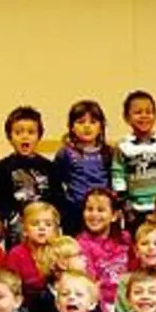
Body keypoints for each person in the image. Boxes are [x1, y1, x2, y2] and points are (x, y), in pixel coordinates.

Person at [0, 106, 65, 249]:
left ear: (39, 136)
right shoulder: (4, 166)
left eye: (31, 132)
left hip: (45, 225)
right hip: (18, 228)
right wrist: (7, 218)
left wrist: (56, 219)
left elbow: (58, 196)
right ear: (10, 137)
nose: (25, 136)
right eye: (18, 132)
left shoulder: (48, 166)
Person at [111, 90, 156, 221]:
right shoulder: (123, 147)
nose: (144, 116)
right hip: (134, 208)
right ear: (127, 117)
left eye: (149, 112)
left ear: (155, 116)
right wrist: (123, 201)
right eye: (138, 112)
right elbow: (118, 174)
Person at [54, 100, 112, 236]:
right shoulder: (66, 153)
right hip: (75, 210)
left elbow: (112, 179)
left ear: (101, 126)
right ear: (71, 127)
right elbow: (57, 181)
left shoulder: (108, 153)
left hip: (102, 210)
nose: (87, 127)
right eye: (81, 122)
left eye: (93, 122)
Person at [76, 188, 131, 309]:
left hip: (131, 303)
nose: (94, 214)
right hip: (101, 308)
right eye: (89, 209)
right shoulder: (80, 245)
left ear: (114, 216)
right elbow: (89, 285)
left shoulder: (126, 238)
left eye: (101, 210)